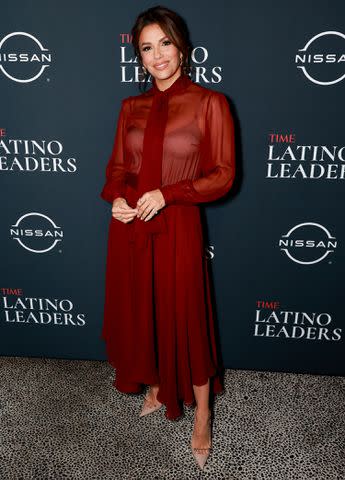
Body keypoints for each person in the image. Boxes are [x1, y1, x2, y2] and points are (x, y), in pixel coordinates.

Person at [100, 5, 235, 471]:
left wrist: (168, 193)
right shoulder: (129, 108)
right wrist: (117, 197)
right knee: (144, 309)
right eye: (146, 47)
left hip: (177, 226)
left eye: (165, 44)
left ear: (181, 46)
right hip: (132, 229)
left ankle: (202, 413)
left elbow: (222, 176)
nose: (157, 56)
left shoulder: (209, 103)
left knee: (188, 316)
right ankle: (157, 383)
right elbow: (118, 168)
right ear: (138, 56)